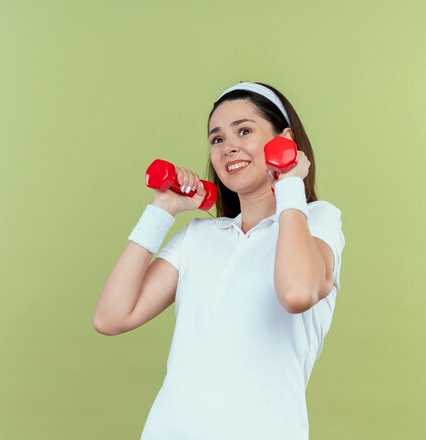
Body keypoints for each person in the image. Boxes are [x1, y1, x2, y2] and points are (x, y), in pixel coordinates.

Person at [93, 81, 346, 440]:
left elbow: (297, 293)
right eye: (217, 139)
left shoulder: (317, 220)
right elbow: (111, 317)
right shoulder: (198, 236)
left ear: (284, 139)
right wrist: (161, 210)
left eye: (244, 130)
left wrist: (290, 183)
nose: (229, 148)